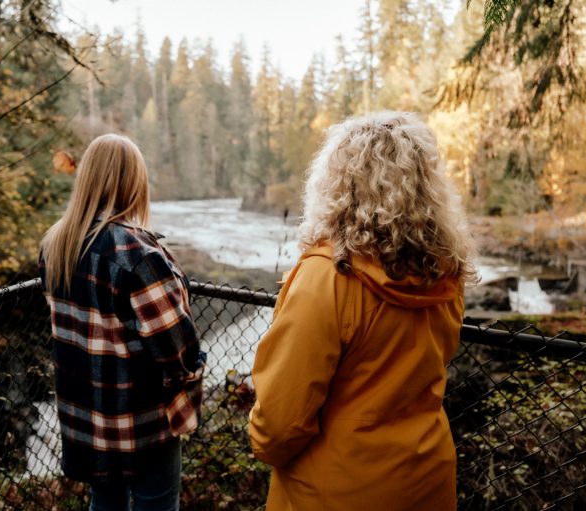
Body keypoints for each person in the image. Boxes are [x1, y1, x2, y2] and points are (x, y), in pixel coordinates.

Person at [249, 112, 476, 510]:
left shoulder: (328, 277)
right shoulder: (444, 273)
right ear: (426, 185)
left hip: (334, 490)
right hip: (425, 481)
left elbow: (280, 424)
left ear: (339, 183)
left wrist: (259, 439)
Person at [39, 134, 204, 511]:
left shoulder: (56, 245)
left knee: (104, 503)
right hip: (142, 422)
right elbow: (177, 352)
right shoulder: (140, 256)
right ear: (135, 183)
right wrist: (194, 372)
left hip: (87, 418)